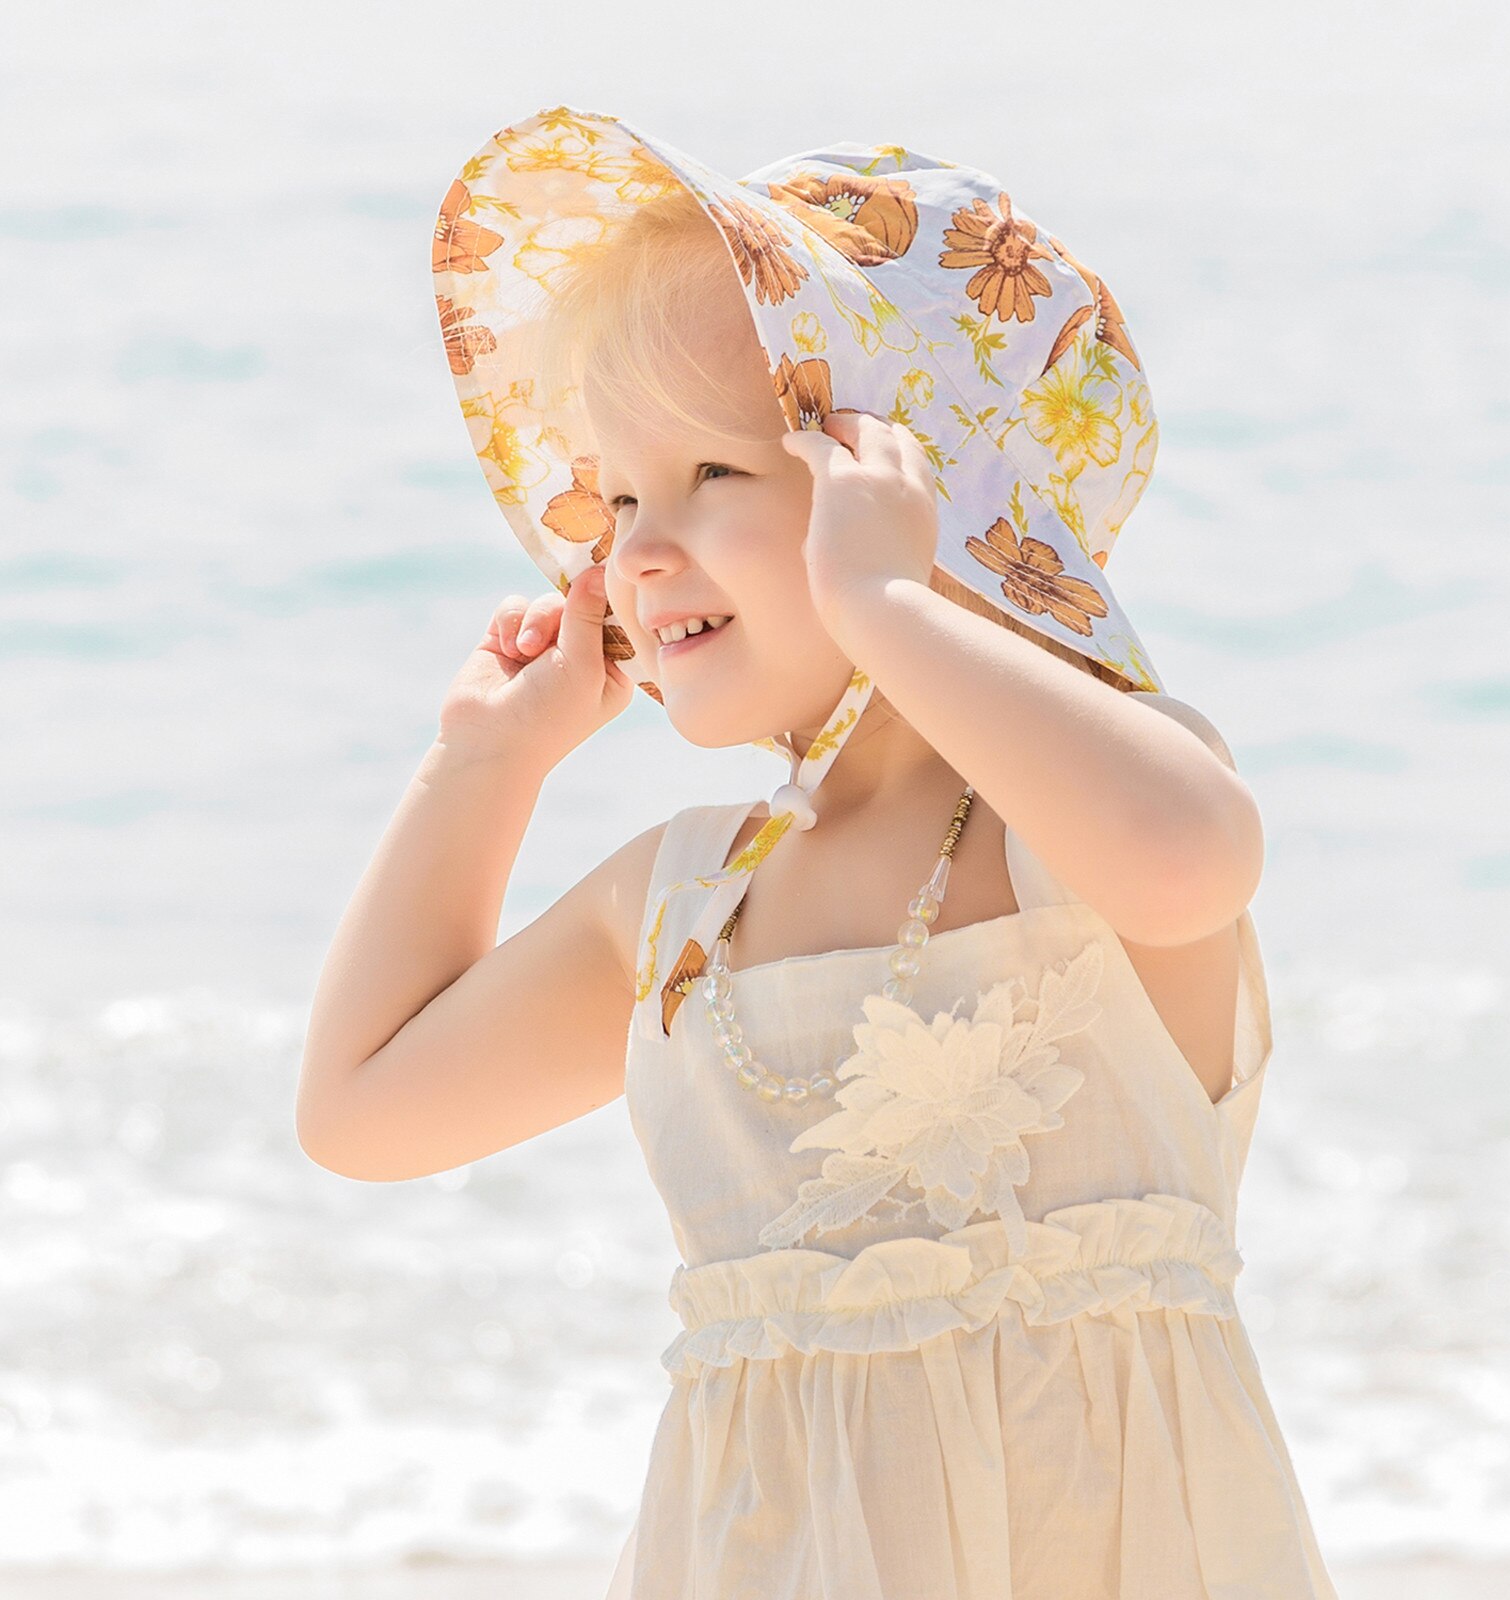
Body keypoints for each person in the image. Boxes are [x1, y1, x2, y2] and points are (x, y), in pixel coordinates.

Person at [297, 107, 1340, 1598]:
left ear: (920, 493)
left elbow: (1197, 863)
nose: (637, 553)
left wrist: (895, 611)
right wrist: (489, 762)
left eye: (715, 474)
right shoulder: (683, 905)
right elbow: (361, 1111)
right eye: (621, 496)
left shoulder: (1076, 818)